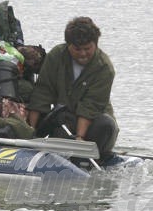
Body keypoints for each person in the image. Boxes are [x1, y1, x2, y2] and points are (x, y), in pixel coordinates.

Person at [27, 16, 118, 163]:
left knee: (106, 125)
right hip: (64, 120)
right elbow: (42, 93)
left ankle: (91, 157)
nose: (82, 54)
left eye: (87, 49)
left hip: (94, 121)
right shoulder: (56, 56)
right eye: (77, 49)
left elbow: (91, 105)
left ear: (95, 44)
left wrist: (80, 139)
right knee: (60, 126)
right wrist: (30, 132)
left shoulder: (104, 68)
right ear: (68, 45)